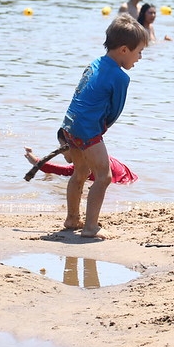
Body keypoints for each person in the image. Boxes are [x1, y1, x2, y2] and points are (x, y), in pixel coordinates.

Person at [60, 14, 148, 239]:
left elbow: (79, 93)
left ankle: (72, 219)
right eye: (139, 52)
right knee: (104, 176)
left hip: (70, 124)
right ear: (124, 50)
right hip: (88, 130)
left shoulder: (94, 63)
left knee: (80, 171)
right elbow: (114, 111)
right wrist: (100, 129)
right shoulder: (121, 78)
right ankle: (90, 227)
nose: (139, 58)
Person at [24, 129, 137, 184]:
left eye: (61, 145)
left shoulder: (88, 162)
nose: (60, 150)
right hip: (128, 183)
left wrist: (35, 161)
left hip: (120, 185)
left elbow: (63, 171)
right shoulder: (94, 155)